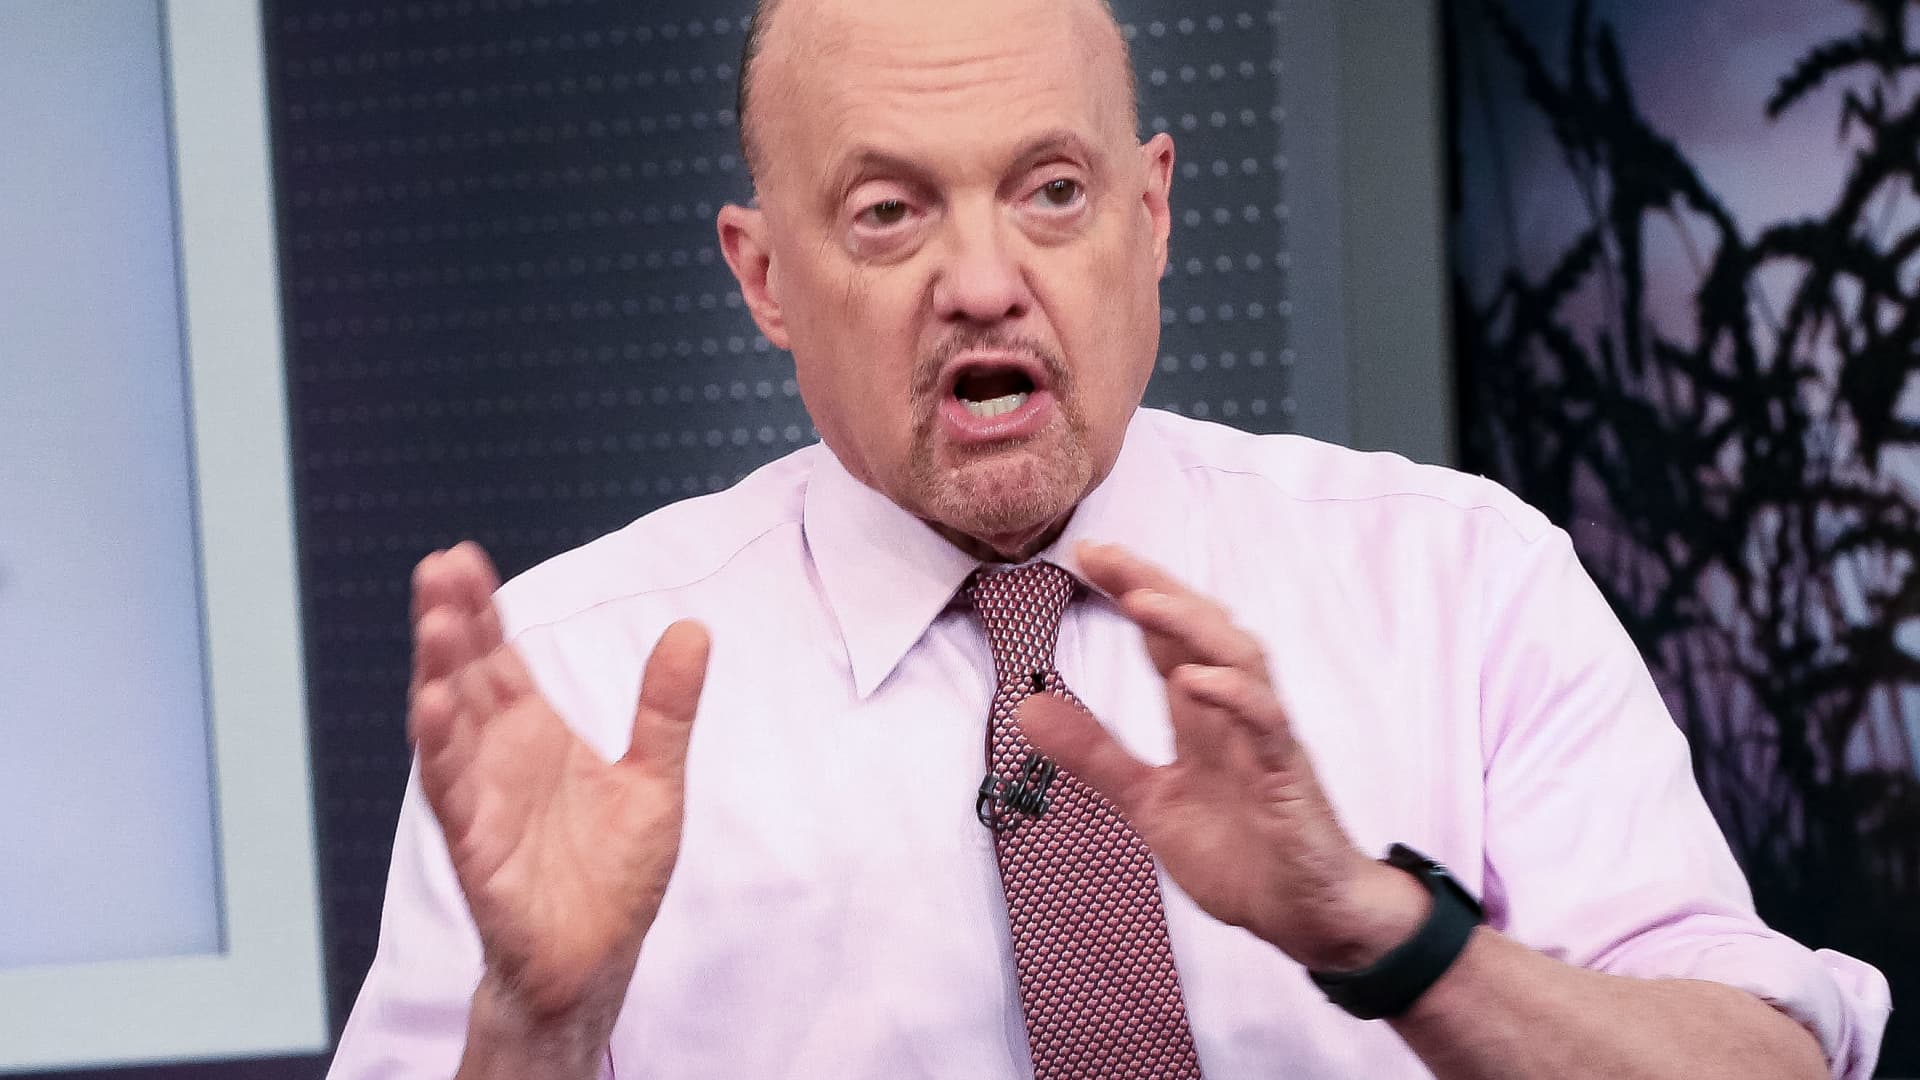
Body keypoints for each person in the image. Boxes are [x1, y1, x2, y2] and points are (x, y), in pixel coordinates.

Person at [329, 0, 1892, 1076]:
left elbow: (1761, 1062)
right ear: (764, 277)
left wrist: (1380, 929)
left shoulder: (1461, 580)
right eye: (888, 212)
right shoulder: (576, 684)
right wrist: (540, 1030)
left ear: (1151, 215)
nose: (982, 281)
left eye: (1052, 191)